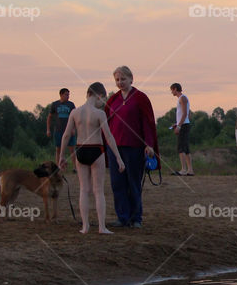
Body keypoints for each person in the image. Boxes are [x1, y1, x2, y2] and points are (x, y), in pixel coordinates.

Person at [58, 82, 126, 234]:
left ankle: (85, 227)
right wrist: (118, 157)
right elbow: (109, 137)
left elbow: (66, 135)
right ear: (99, 96)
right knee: (98, 190)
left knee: (84, 189)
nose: (103, 103)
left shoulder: (75, 112)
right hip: (96, 149)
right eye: (103, 100)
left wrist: (62, 156)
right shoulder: (99, 113)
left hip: (81, 149)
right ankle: (102, 227)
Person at [105, 65, 158, 228]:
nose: (120, 82)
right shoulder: (112, 100)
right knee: (117, 183)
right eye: (117, 80)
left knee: (133, 183)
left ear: (131, 79)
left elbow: (148, 122)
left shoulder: (140, 98)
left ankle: (136, 218)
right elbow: (105, 123)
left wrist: (149, 144)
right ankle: (122, 217)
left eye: (123, 79)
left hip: (134, 147)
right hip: (115, 148)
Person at [47, 88, 76, 168]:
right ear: (61, 95)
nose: (68, 96)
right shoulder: (55, 104)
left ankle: (75, 167)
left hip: (69, 131)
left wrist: (73, 128)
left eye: (68, 95)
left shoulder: (71, 105)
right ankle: (58, 167)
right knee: (58, 149)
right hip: (58, 130)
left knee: (72, 150)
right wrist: (48, 129)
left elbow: (75, 117)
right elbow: (49, 117)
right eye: (66, 95)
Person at [170, 83, 194, 176]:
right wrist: (177, 124)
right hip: (184, 124)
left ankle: (183, 170)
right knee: (186, 148)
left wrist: (179, 126)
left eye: (172, 90)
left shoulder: (182, 98)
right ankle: (190, 170)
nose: (171, 92)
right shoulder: (182, 98)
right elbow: (186, 115)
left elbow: (185, 114)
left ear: (175, 89)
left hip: (183, 126)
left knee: (181, 148)